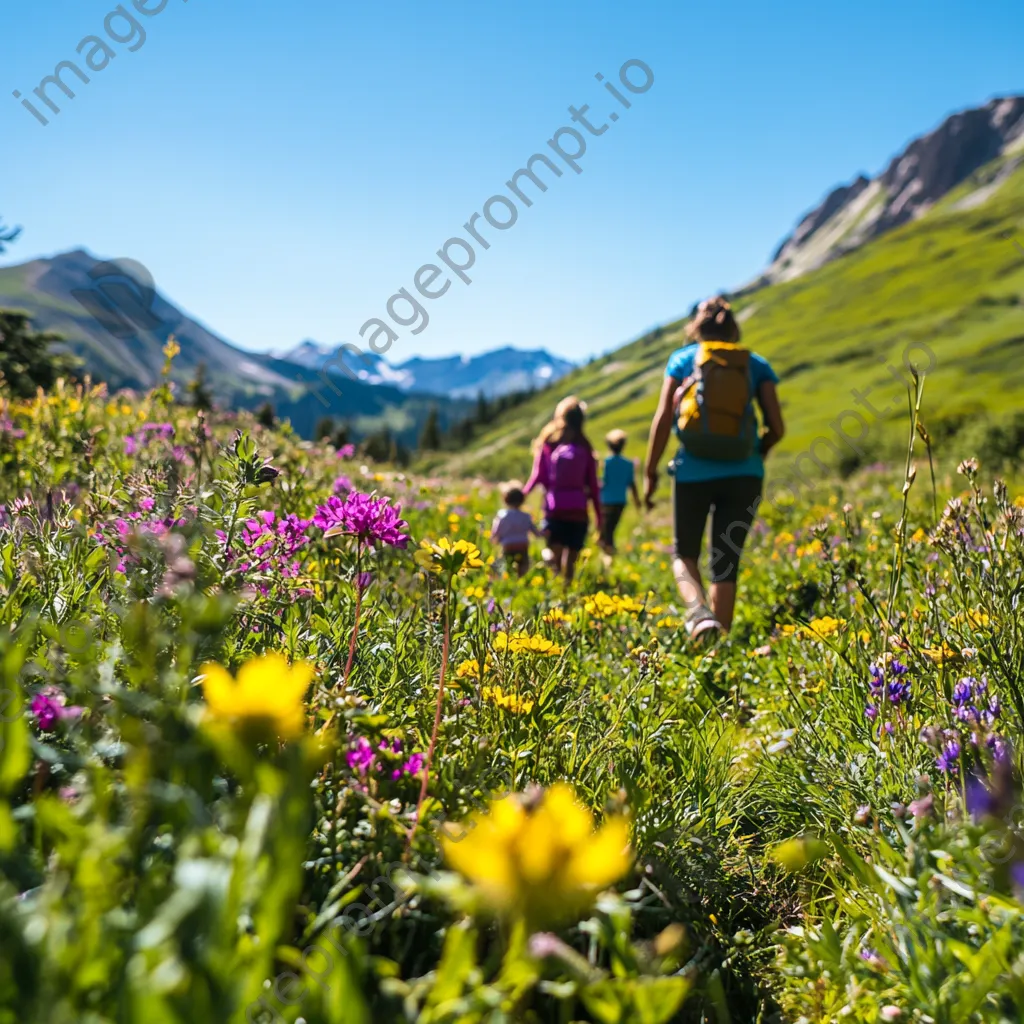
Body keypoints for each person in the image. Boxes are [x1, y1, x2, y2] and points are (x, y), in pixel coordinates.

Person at [643, 296, 784, 639]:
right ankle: (720, 645)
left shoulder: (682, 360)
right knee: (726, 560)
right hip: (745, 473)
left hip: (693, 470)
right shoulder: (755, 364)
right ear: (734, 328)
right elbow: (777, 427)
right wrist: (756, 452)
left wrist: (650, 473)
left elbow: (663, 420)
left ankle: (699, 615)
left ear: (696, 328)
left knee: (683, 554)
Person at [524, 395, 602, 585]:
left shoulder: (549, 441)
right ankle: (567, 586)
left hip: (554, 506)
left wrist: (521, 496)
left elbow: (538, 476)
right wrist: (600, 517)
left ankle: (555, 586)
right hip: (578, 510)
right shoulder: (585, 445)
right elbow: (593, 485)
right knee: (572, 558)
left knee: (555, 552)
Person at [598, 429, 641, 553]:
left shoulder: (606, 463)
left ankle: (608, 553)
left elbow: (602, 481)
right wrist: (637, 500)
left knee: (606, 528)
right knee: (611, 528)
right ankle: (608, 551)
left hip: (605, 500)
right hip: (620, 501)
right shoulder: (628, 464)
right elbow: (631, 484)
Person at [490, 481, 541, 578]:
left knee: (508, 564)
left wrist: (494, 539)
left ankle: (509, 580)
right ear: (522, 500)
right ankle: (521, 579)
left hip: (508, 545)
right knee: (523, 564)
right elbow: (535, 531)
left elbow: (496, 531)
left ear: (506, 500)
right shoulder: (526, 516)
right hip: (522, 544)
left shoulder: (502, 515)